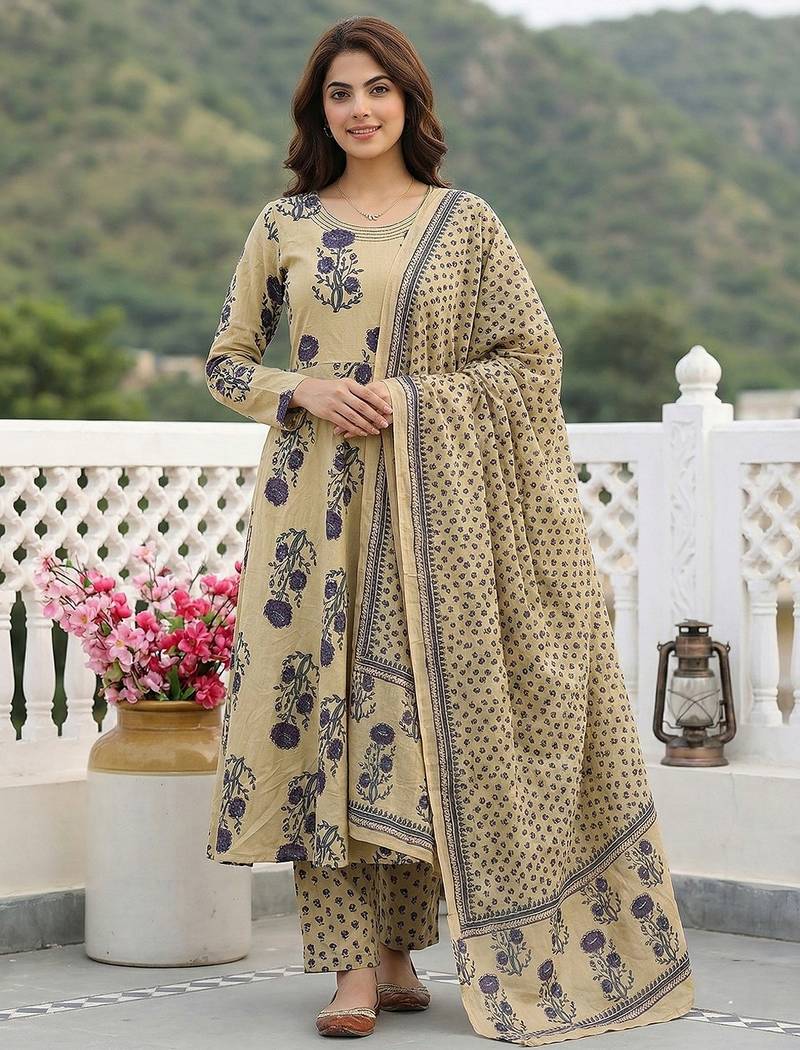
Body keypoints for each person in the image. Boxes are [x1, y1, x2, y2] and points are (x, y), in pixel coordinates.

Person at [204, 15, 694, 1045]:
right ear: (318, 111)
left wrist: (413, 398)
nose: (360, 109)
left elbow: (530, 358)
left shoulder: (464, 223)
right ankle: (347, 969)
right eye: (340, 92)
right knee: (327, 725)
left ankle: (398, 954)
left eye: (377, 89)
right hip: (313, 518)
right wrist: (304, 391)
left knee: (421, 725)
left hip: (441, 525)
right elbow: (227, 361)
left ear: (409, 101)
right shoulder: (284, 223)